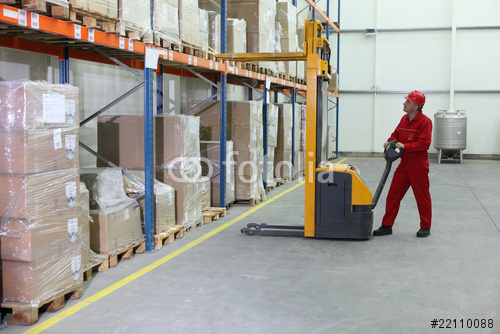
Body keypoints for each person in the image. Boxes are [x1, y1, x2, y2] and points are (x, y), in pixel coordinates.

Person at [373, 90, 433, 238]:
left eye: (408, 102)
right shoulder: (404, 119)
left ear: (417, 106)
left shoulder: (425, 122)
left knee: (422, 196)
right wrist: (390, 141)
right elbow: (396, 134)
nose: (404, 103)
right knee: (393, 195)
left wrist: (405, 146)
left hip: (418, 164)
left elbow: (424, 144)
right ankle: (387, 225)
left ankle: (425, 226)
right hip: (404, 164)